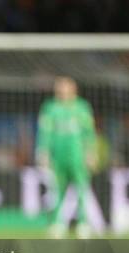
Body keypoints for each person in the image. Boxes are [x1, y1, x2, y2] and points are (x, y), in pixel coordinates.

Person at [36, 76, 97, 239]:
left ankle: (84, 223)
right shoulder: (50, 108)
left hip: (78, 155)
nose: (61, 90)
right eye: (59, 87)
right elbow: (45, 132)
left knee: (82, 188)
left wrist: (91, 152)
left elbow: (89, 133)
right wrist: (43, 152)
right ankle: (57, 224)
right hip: (58, 156)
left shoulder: (82, 107)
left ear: (73, 89)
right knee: (57, 190)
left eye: (65, 87)